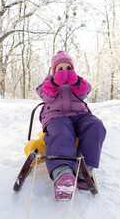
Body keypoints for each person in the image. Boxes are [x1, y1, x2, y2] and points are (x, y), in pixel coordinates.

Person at [36, 50, 106, 200]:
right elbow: (45, 95)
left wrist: (77, 81)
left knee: (95, 125)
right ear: (54, 70)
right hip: (56, 116)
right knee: (61, 129)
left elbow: (84, 92)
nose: (64, 71)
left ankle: (84, 171)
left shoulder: (77, 81)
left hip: (79, 115)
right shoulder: (48, 81)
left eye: (68, 68)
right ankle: (63, 173)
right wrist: (55, 82)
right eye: (60, 68)